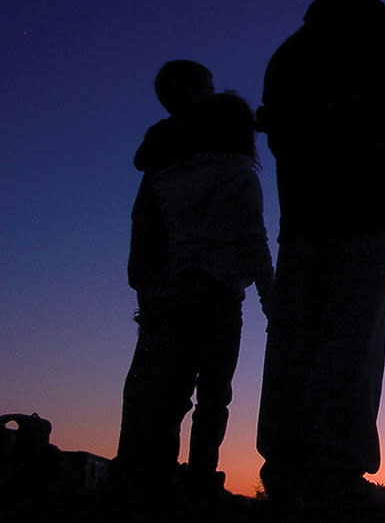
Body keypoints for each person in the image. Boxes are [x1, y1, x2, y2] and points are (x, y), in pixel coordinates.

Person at [255, 0, 385, 513]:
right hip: (362, 220)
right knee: (350, 346)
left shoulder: (289, 54)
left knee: (295, 346)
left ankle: (287, 470)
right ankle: (333, 473)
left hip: (303, 222)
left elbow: (281, 138)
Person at [115, 64, 273, 501]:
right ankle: (200, 478)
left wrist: (152, 288)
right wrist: (271, 301)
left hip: (175, 290)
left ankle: (155, 478)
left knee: (169, 393)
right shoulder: (239, 177)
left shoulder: (168, 178)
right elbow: (255, 242)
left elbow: (161, 235)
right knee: (213, 396)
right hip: (220, 295)